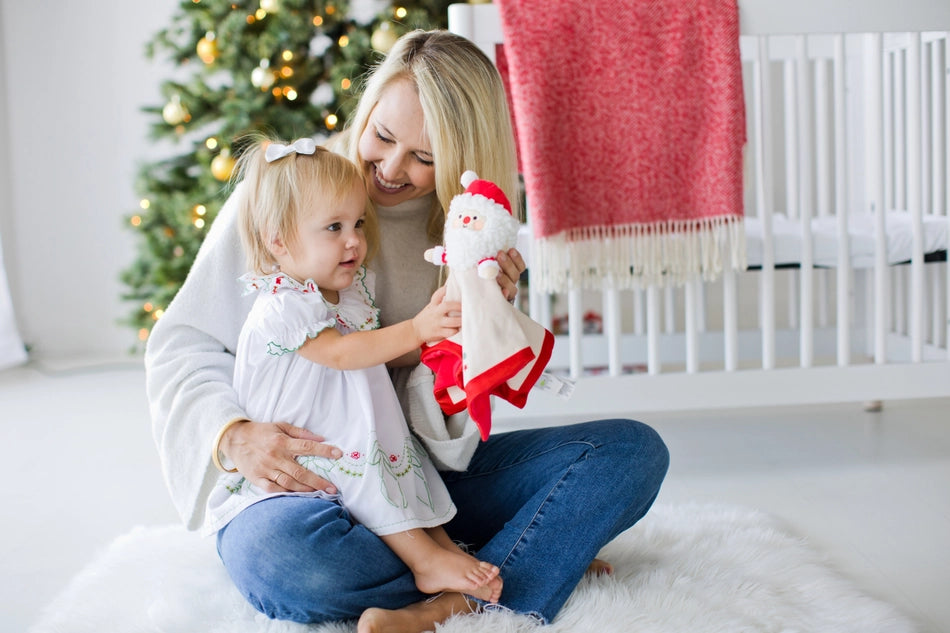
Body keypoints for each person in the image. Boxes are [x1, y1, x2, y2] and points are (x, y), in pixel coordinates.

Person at [146, 29, 669, 632]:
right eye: (382, 137)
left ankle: (459, 591)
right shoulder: (285, 193)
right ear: (366, 112)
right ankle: (520, 560)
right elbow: (185, 343)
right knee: (289, 559)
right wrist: (232, 435)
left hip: (411, 477)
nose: (391, 170)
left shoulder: (466, 237)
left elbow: (445, 421)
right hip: (301, 485)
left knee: (630, 453)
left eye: (425, 158)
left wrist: (482, 327)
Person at [203, 134, 502, 603]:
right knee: (359, 480)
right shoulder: (282, 304)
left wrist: (439, 333)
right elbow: (344, 354)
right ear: (279, 242)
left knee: (408, 470)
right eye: (334, 228)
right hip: (313, 442)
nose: (355, 241)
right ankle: (425, 562)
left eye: (358, 223)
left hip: (361, 425)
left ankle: (442, 552)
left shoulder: (347, 291)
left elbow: (376, 352)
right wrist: (418, 328)